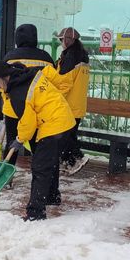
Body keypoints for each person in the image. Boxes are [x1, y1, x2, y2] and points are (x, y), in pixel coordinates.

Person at [0, 60, 75, 221]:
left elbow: (28, 122)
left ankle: (35, 213)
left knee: (40, 167)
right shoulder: (26, 75)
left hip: (54, 125)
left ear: (1, 78)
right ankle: (52, 196)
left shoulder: (18, 92)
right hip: (64, 121)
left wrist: (19, 139)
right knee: (49, 162)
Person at [1, 24, 56, 165]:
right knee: (37, 144)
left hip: (13, 109)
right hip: (38, 110)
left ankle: (7, 176)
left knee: (12, 141)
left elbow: (3, 85)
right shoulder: (47, 59)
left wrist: (5, 100)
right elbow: (53, 83)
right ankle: (39, 174)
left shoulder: (10, 57)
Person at [54, 27, 90, 175]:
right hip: (77, 103)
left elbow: (64, 82)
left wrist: (54, 94)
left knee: (66, 135)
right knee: (69, 134)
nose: (61, 42)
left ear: (67, 40)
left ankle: (77, 157)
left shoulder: (70, 57)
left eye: (62, 40)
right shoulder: (82, 56)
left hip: (68, 103)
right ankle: (68, 162)